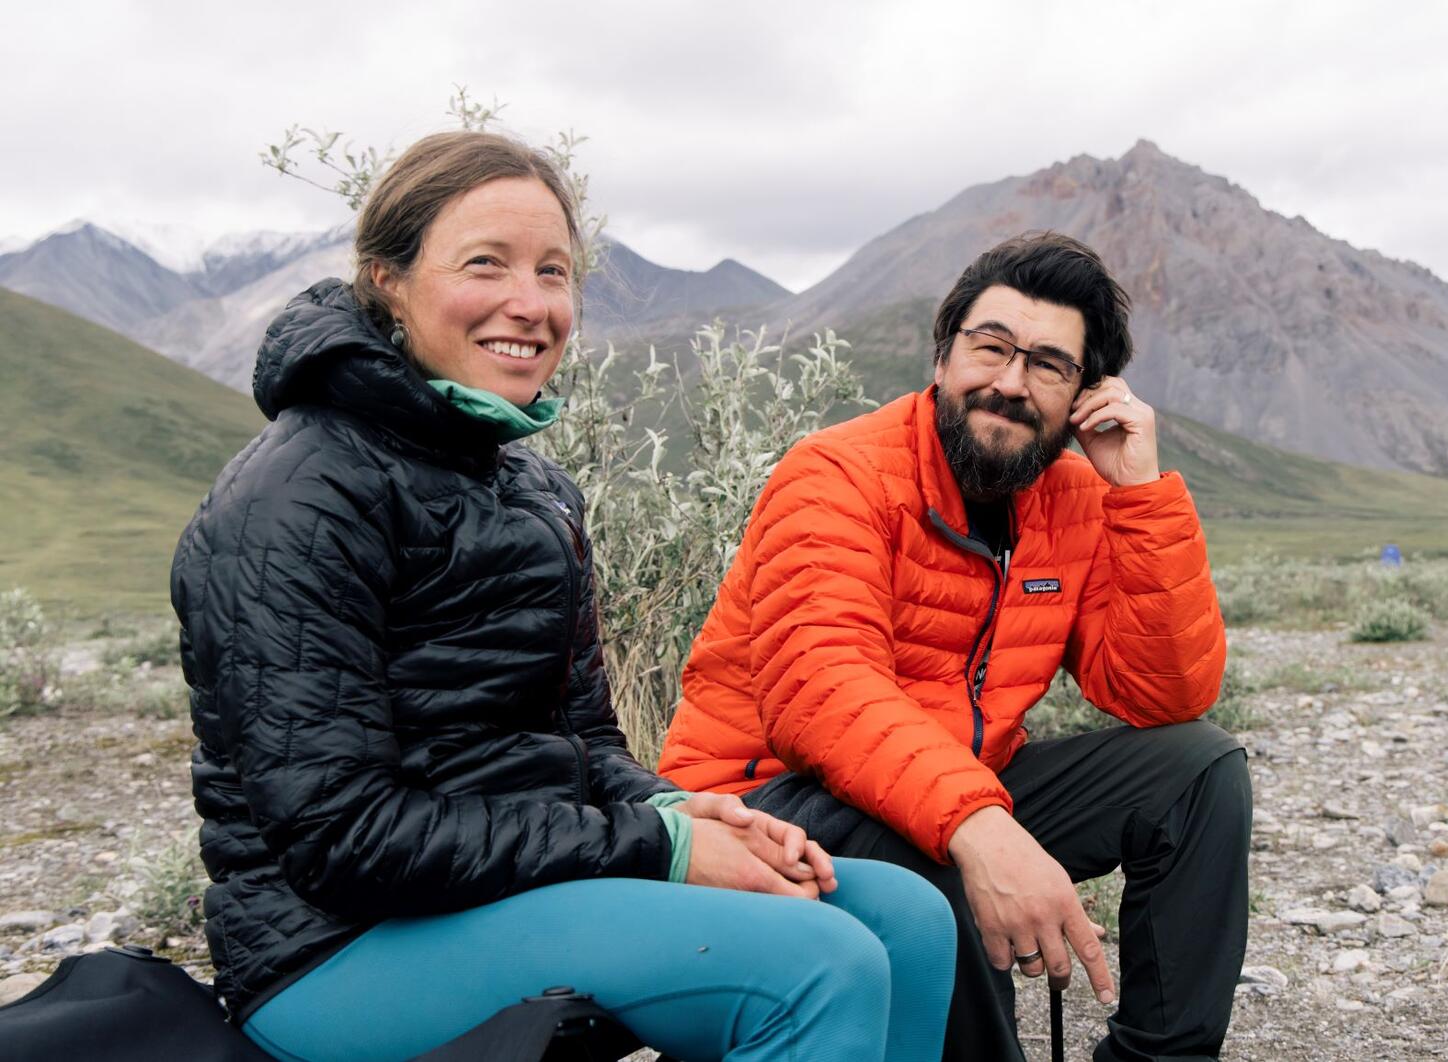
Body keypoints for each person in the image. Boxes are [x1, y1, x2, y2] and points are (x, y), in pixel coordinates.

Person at [171, 130, 955, 1062]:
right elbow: (344, 837)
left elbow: (583, 748)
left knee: (907, 918)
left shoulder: (531, 489)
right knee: (823, 964)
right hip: (335, 947)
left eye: (553, 271)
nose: (529, 304)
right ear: (387, 279)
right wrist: (650, 849)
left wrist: (674, 814)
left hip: (507, 890)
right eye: (485, 265)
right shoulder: (302, 495)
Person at [659, 233, 1253, 1062]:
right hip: (763, 801)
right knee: (922, 855)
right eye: (991, 347)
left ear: (1085, 393)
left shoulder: (1071, 498)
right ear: (943, 357)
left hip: (953, 789)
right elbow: (823, 693)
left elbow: (1164, 694)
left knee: (1197, 768)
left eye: (1048, 364)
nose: (1010, 384)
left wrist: (1141, 496)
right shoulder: (837, 474)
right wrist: (980, 829)